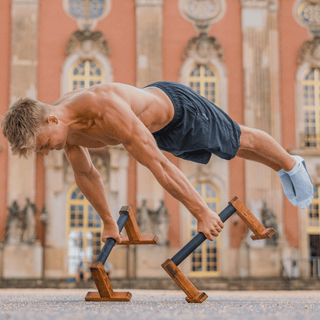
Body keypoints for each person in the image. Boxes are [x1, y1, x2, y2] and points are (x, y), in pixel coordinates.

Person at [1, 81, 315, 243]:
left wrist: (202, 211)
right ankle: (281, 166)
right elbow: (86, 174)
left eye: (43, 145)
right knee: (229, 150)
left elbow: (159, 166)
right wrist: (109, 223)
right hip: (158, 131)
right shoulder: (67, 132)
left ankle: (291, 164)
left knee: (238, 139)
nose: (45, 153)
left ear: (51, 120)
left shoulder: (104, 108)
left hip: (180, 110)